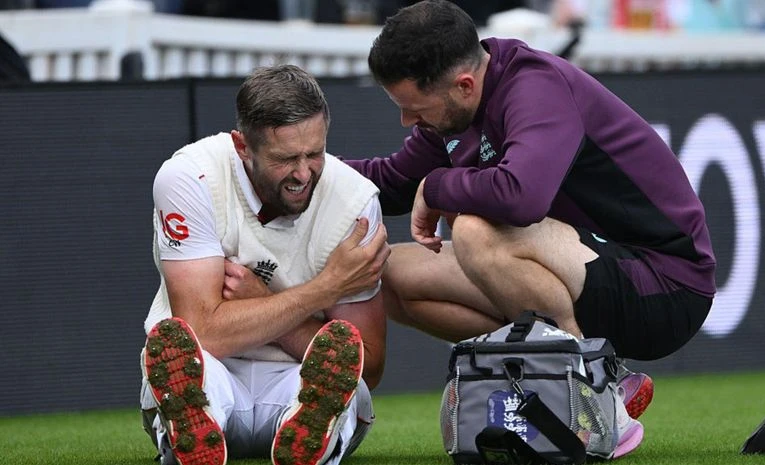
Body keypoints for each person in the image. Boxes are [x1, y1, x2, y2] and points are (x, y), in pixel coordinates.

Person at [346, 0, 716, 457]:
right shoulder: (458, 105)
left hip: (664, 285)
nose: (408, 120)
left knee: (475, 232)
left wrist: (439, 184)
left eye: (414, 108)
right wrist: (302, 170)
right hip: (581, 272)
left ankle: (593, 399)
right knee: (389, 272)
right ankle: (590, 375)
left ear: (463, 85)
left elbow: (523, 195)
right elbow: (392, 183)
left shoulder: (535, 86)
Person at [140, 64, 390, 465]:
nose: (304, 173)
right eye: (286, 158)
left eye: (315, 153)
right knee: (195, 373)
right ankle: (194, 426)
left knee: (340, 383)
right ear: (242, 146)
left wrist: (262, 302)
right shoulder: (189, 177)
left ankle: (310, 430)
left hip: (299, 376)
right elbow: (204, 333)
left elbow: (370, 365)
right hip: (214, 369)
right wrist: (324, 290)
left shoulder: (356, 202)